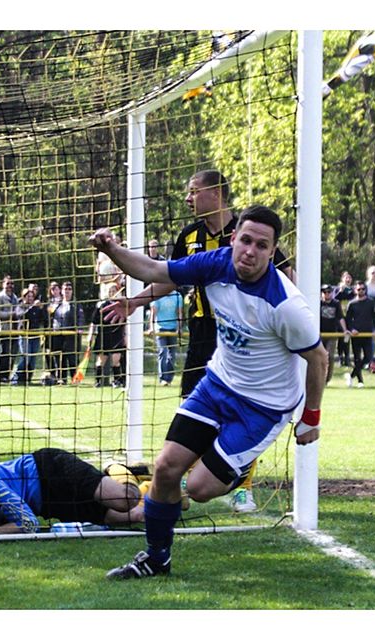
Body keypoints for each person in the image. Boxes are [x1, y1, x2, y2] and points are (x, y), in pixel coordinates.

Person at [90, 205, 327, 579]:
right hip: (217, 385)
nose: (250, 250)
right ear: (234, 239)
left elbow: (318, 359)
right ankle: (156, 558)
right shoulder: (213, 263)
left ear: (272, 251)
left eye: (261, 245)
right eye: (245, 240)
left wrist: (310, 418)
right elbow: (155, 270)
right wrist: (111, 250)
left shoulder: (286, 305)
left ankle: (238, 462)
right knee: (166, 468)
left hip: (263, 408)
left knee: (199, 489)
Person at [102, 170, 292, 512]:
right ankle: (184, 486)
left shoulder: (250, 233)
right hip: (203, 331)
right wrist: (135, 302)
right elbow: (170, 277)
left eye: (194, 191)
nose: (188, 199)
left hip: (248, 338)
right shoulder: (189, 236)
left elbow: (286, 277)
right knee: (195, 406)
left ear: (217, 193)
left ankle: (240, 487)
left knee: (245, 410)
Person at [0, 448, 145, 534]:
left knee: (126, 500)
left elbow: (29, 524)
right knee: (135, 517)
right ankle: (163, 493)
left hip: (51, 469)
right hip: (51, 504)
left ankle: (117, 468)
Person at [88, 282, 126, 388]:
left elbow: (126, 322)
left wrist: (126, 336)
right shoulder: (101, 306)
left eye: (114, 291)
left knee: (116, 360)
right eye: (110, 291)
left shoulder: (121, 305)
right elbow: (94, 322)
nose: (112, 293)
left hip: (117, 336)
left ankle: (117, 381)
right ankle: (98, 381)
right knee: (101, 361)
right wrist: (90, 335)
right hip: (103, 335)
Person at [10, 286, 49, 385]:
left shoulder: (36, 307)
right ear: (24, 297)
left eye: (32, 296)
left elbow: (44, 318)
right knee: (26, 357)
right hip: (24, 335)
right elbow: (22, 315)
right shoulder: (20, 306)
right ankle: (15, 377)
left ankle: (28, 379)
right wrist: (32, 307)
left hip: (35, 336)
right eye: (28, 296)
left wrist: (42, 309)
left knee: (33, 359)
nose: (30, 298)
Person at [344, 280, 375, 388]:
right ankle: (360, 381)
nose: (361, 291)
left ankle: (351, 375)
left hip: (367, 334)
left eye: (363, 289)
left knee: (368, 357)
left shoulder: (371, 302)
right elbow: (348, 320)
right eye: (359, 289)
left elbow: (374, 318)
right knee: (357, 358)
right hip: (356, 335)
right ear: (355, 290)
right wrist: (351, 329)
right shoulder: (352, 304)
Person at [149, 285, 183, 386]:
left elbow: (179, 313)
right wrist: (151, 327)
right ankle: (163, 378)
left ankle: (169, 378)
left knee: (172, 355)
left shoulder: (177, 296)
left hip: (173, 329)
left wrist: (179, 327)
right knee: (163, 352)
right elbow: (153, 314)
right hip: (160, 328)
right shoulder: (158, 296)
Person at [51, 281, 85, 383]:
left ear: (72, 291)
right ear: (61, 291)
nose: (67, 291)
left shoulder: (76, 305)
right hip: (58, 335)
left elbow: (81, 318)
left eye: (69, 289)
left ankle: (75, 379)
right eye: (65, 289)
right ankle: (61, 378)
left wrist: (79, 328)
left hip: (71, 336)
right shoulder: (56, 304)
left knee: (72, 358)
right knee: (59, 358)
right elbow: (49, 316)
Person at [319, 284, 348, 384]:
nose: (327, 294)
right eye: (324, 292)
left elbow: (340, 317)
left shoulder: (336, 303)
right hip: (320, 334)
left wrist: (345, 330)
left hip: (332, 333)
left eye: (328, 292)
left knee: (330, 356)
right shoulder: (318, 303)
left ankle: (327, 379)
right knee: (319, 356)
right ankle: (319, 378)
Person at [0, 276, 19, 383]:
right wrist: (10, 314)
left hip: (15, 330)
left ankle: (8, 375)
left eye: (11, 283)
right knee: (4, 353)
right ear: (3, 284)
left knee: (13, 354)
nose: (9, 286)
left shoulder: (15, 297)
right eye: (8, 283)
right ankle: (1, 375)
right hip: (4, 330)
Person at [333, 271, 355, 367]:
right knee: (340, 338)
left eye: (349, 278)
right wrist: (340, 291)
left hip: (348, 317)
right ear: (342, 279)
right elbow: (334, 299)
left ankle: (347, 358)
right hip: (339, 317)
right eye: (346, 278)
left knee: (347, 338)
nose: (348, 279)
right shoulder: (337, 289)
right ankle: (340, 357)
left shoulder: (353, 290)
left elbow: (354, 299)